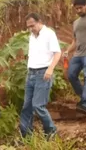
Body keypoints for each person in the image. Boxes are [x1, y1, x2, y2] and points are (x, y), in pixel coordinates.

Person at [19, 13, 61, 141]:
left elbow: (57, 53)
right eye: (28, 27)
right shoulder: (32, 36)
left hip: (43, 73)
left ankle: (51, 131)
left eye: (33, 25)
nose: (31, 29)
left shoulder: (49, 34)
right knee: (27, 105)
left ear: (39, 21)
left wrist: (50, 69)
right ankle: (26, 134)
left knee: (38, 105)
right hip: (31, 73)